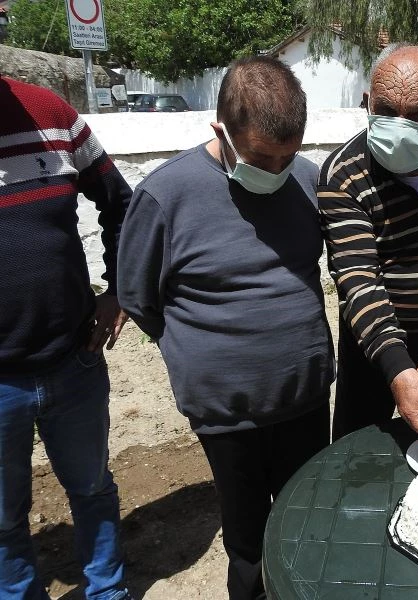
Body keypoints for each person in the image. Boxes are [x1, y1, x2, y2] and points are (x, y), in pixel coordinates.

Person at [117, 56, 335, 600]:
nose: (277, 169)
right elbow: (139, 298)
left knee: (307, 522)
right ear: (221, 131)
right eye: (262, 158)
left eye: (289, 156)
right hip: (226, 414)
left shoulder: (307, 181)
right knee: (249, 540)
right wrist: (204, 356)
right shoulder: (167, 195)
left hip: (305, 397)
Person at [0, 76, 133, 600]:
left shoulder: (48, 113)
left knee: (92, 487)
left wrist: (117, 289)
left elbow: (120, 203)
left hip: (71, 360)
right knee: (4, 515)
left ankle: (107, 590)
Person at [318, 43, 418, 441]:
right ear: (367, 103)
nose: (399, 126)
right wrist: (396, 367)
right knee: (362, 448)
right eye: (387, 112)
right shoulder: (343, 175)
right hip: (373, 338)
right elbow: (358, 279)